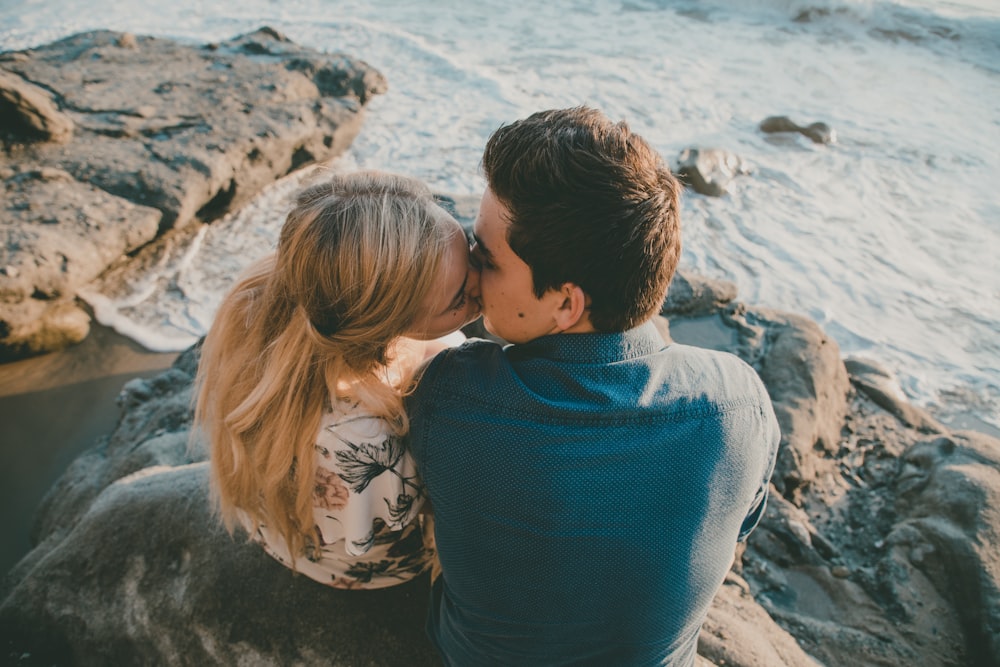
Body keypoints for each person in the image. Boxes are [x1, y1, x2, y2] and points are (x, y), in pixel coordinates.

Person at [405, 107, 781, 665]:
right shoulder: (737, 402)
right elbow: (739, 524)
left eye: (486, 257)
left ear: (565, 303)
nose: (471, 271)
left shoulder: (449, 393)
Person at [194, 170, 480, 590]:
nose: (482, 281)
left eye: (471, 251)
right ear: (383, 329)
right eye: (459, 298)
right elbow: (432, 514)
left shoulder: (266, 293)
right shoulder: (365, 440)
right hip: (362, 563)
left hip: (279, 525)